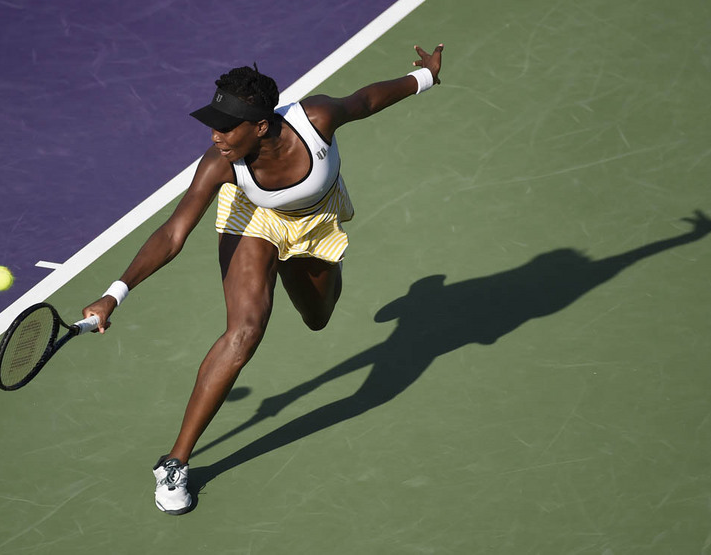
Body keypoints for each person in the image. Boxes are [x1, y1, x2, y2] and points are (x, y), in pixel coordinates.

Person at [82, 43, 444, 515]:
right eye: (213, 123)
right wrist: (115, 293)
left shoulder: (316, 119)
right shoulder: (220, 165)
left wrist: (426, 78)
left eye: (227, 126)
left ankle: (301, 267)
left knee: (317, 316)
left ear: (261, 124)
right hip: (252, 221)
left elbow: (367, 100)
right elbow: (174, 233)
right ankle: (175, 462)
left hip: (314, 223)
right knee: (245, 331)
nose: (216, 135)